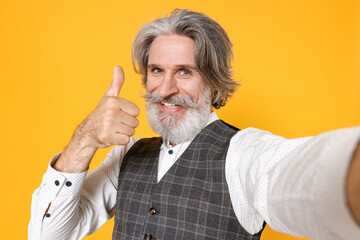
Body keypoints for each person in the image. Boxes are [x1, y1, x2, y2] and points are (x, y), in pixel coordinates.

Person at [29, 9, 360, 240]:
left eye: (185, 71)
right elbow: (47, 235)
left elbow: (303, 177)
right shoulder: (128, 154)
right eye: (157, 71)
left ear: (214, 83)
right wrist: (85, 139)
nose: (166, 89)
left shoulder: (245, 153)